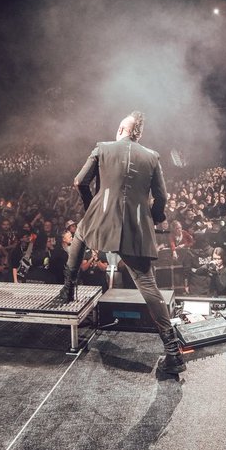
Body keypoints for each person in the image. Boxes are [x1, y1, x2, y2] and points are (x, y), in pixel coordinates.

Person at [60, 111, 183, 375]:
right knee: (147, 284)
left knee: (80, 233)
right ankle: (172, 349)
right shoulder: (152, 157)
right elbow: (161, 196)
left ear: (120, 129)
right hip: (136, 226)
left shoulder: (103, 148)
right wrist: (157, 216)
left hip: (102, 217)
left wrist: (90, 205)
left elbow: (80, 181)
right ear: (138, 135)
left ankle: (68, 290)